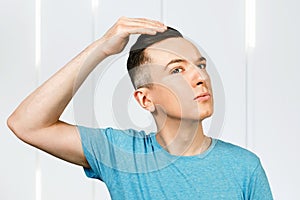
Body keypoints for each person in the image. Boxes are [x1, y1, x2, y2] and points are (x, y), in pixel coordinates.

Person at [7, 17, 273, 199]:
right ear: (145, 100)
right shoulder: (123, 154)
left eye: (200, 65)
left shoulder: (244, 168)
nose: (200, 77)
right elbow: (26, 124)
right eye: (177, 70)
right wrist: (100, 49)